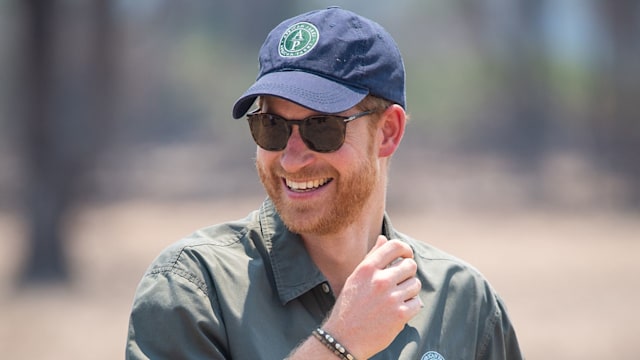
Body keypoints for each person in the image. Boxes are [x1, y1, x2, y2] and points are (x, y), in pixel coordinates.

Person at [126, 7, 522, 360]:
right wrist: (339, 343)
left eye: (322, 127)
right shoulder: (194, 288)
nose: (292, 158)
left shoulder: (465, 305)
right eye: (272, 126)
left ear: (388, 132)